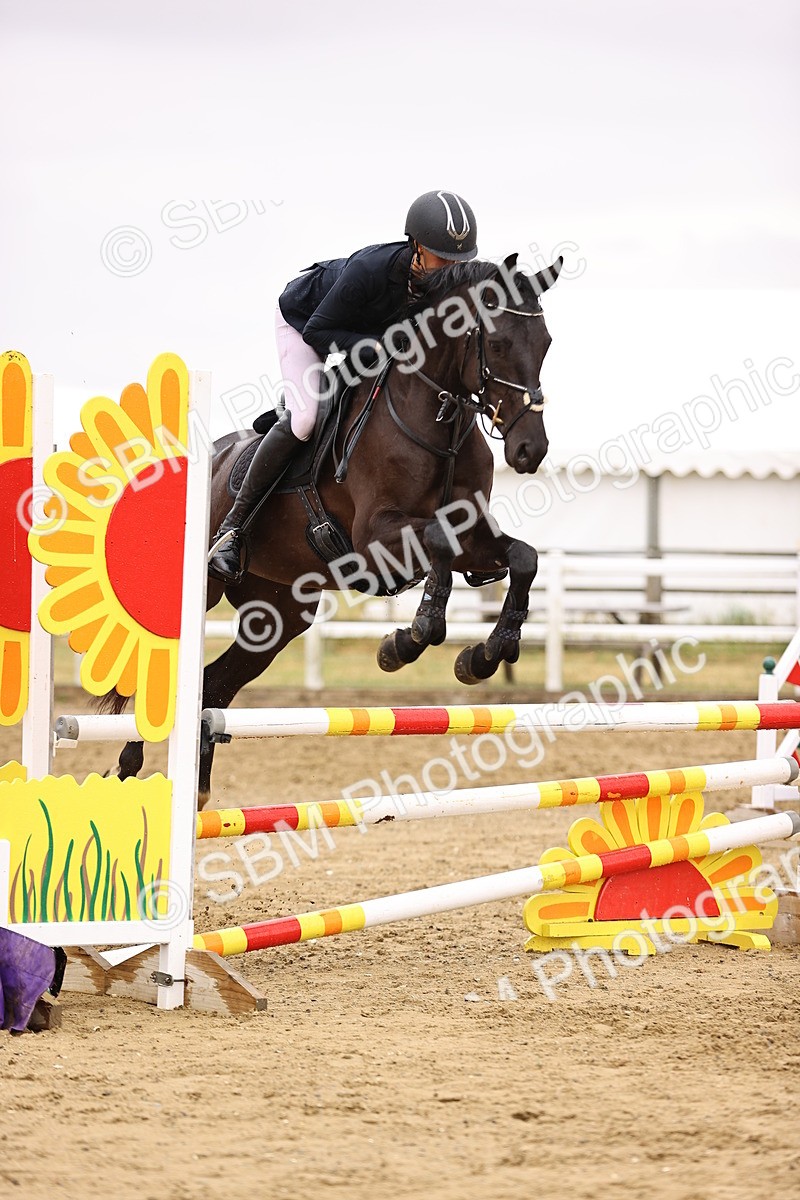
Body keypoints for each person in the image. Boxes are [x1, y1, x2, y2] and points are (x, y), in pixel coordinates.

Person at [208, 190, 479, 584]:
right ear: (418, 247)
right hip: (304, 324)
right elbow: (320, 331)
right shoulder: (371, 269)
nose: (452, 268)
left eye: (460, 261)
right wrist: (380, 346)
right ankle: (232, 531)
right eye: (444, 257)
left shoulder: (438, 288)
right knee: (305, 418)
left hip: (360, 335)